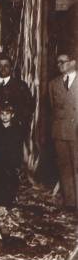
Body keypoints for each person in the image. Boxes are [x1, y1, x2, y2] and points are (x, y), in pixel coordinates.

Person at [49, 52, 78, 210]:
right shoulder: (53, 84)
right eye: (58, 62)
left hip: (76, 130)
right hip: (60, 130)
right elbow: (53, 108)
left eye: (63, 62)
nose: (59, 65)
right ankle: (71, 202)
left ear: (73, 62)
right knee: (64, 166)